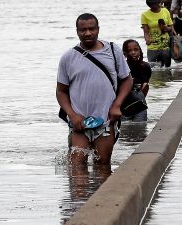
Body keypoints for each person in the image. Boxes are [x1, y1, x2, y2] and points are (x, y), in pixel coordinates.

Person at [56, 13, 133, 166]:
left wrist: (117, 105)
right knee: (77, 167)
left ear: (98, 29)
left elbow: (127, 80)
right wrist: (72, 115)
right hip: (79, 124)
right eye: (83, 30)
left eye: (92, 29)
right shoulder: (68, 57)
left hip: (105, 122)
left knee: (103, 166)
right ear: (77, 31)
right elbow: (61, 91)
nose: (88, 33)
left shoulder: (113, 50)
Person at [141, 0, 176, 67]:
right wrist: (147, 40)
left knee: (167, 70)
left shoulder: (165, 11)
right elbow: (146, 31)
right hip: (152, 47)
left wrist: (167, 28)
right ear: (148, 3)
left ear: (159, 1)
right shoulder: (144, 15)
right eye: (152, 3)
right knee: (154, 71)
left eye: (156, 3)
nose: (154, 5)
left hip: (166, 47)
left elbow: (171, 27)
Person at [121, 39, 152, 122]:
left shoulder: (145, 67)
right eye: (129, 50)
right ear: (124, 53)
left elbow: (145, 86)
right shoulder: (122, 68)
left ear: (140, 50)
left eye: (136, 50)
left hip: (140, 103)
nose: (133, 52)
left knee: (140, 126)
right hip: (124, 104)